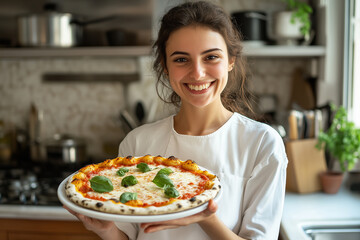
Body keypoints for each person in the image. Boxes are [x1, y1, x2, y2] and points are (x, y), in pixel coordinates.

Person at [65, 1, 288, 240]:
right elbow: (126, 236)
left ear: (231, 60)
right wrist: (106, 229)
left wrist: (206, 217)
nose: (198, 73)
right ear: (165, 65)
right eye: (181, 59)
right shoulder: (137, 144)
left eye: (211, 57)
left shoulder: (262, 144)